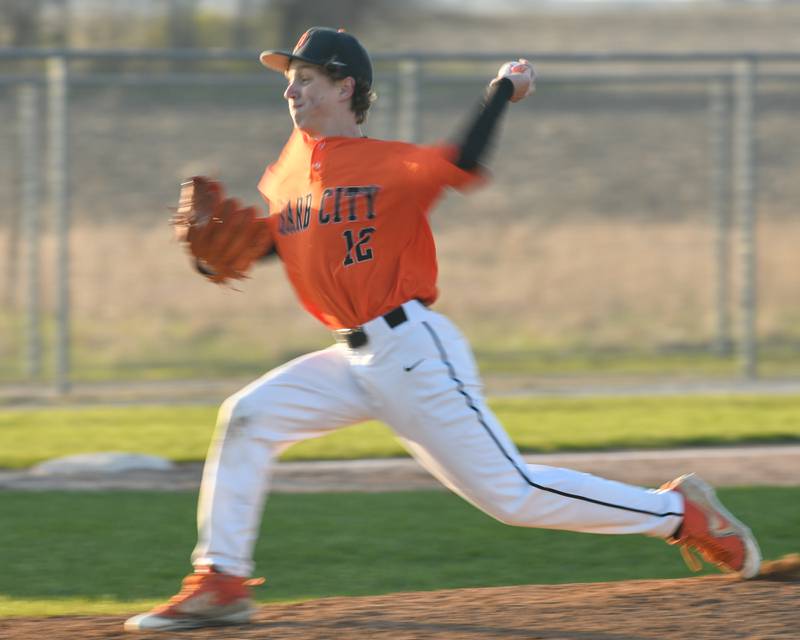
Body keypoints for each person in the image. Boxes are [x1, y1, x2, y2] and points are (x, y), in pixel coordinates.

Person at [124, 27, 761, 633]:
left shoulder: (390, 166)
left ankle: (679, 513)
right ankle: (221, 583)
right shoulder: (289, 170)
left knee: (513, 495)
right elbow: (295, 240)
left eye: (306, 77)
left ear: (345, 87)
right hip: (348, 360)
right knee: (247, 417)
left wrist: (501, 89)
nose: (290, 89)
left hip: (411, 351)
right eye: (289, 78)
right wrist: (227, 252)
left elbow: (463, 162)